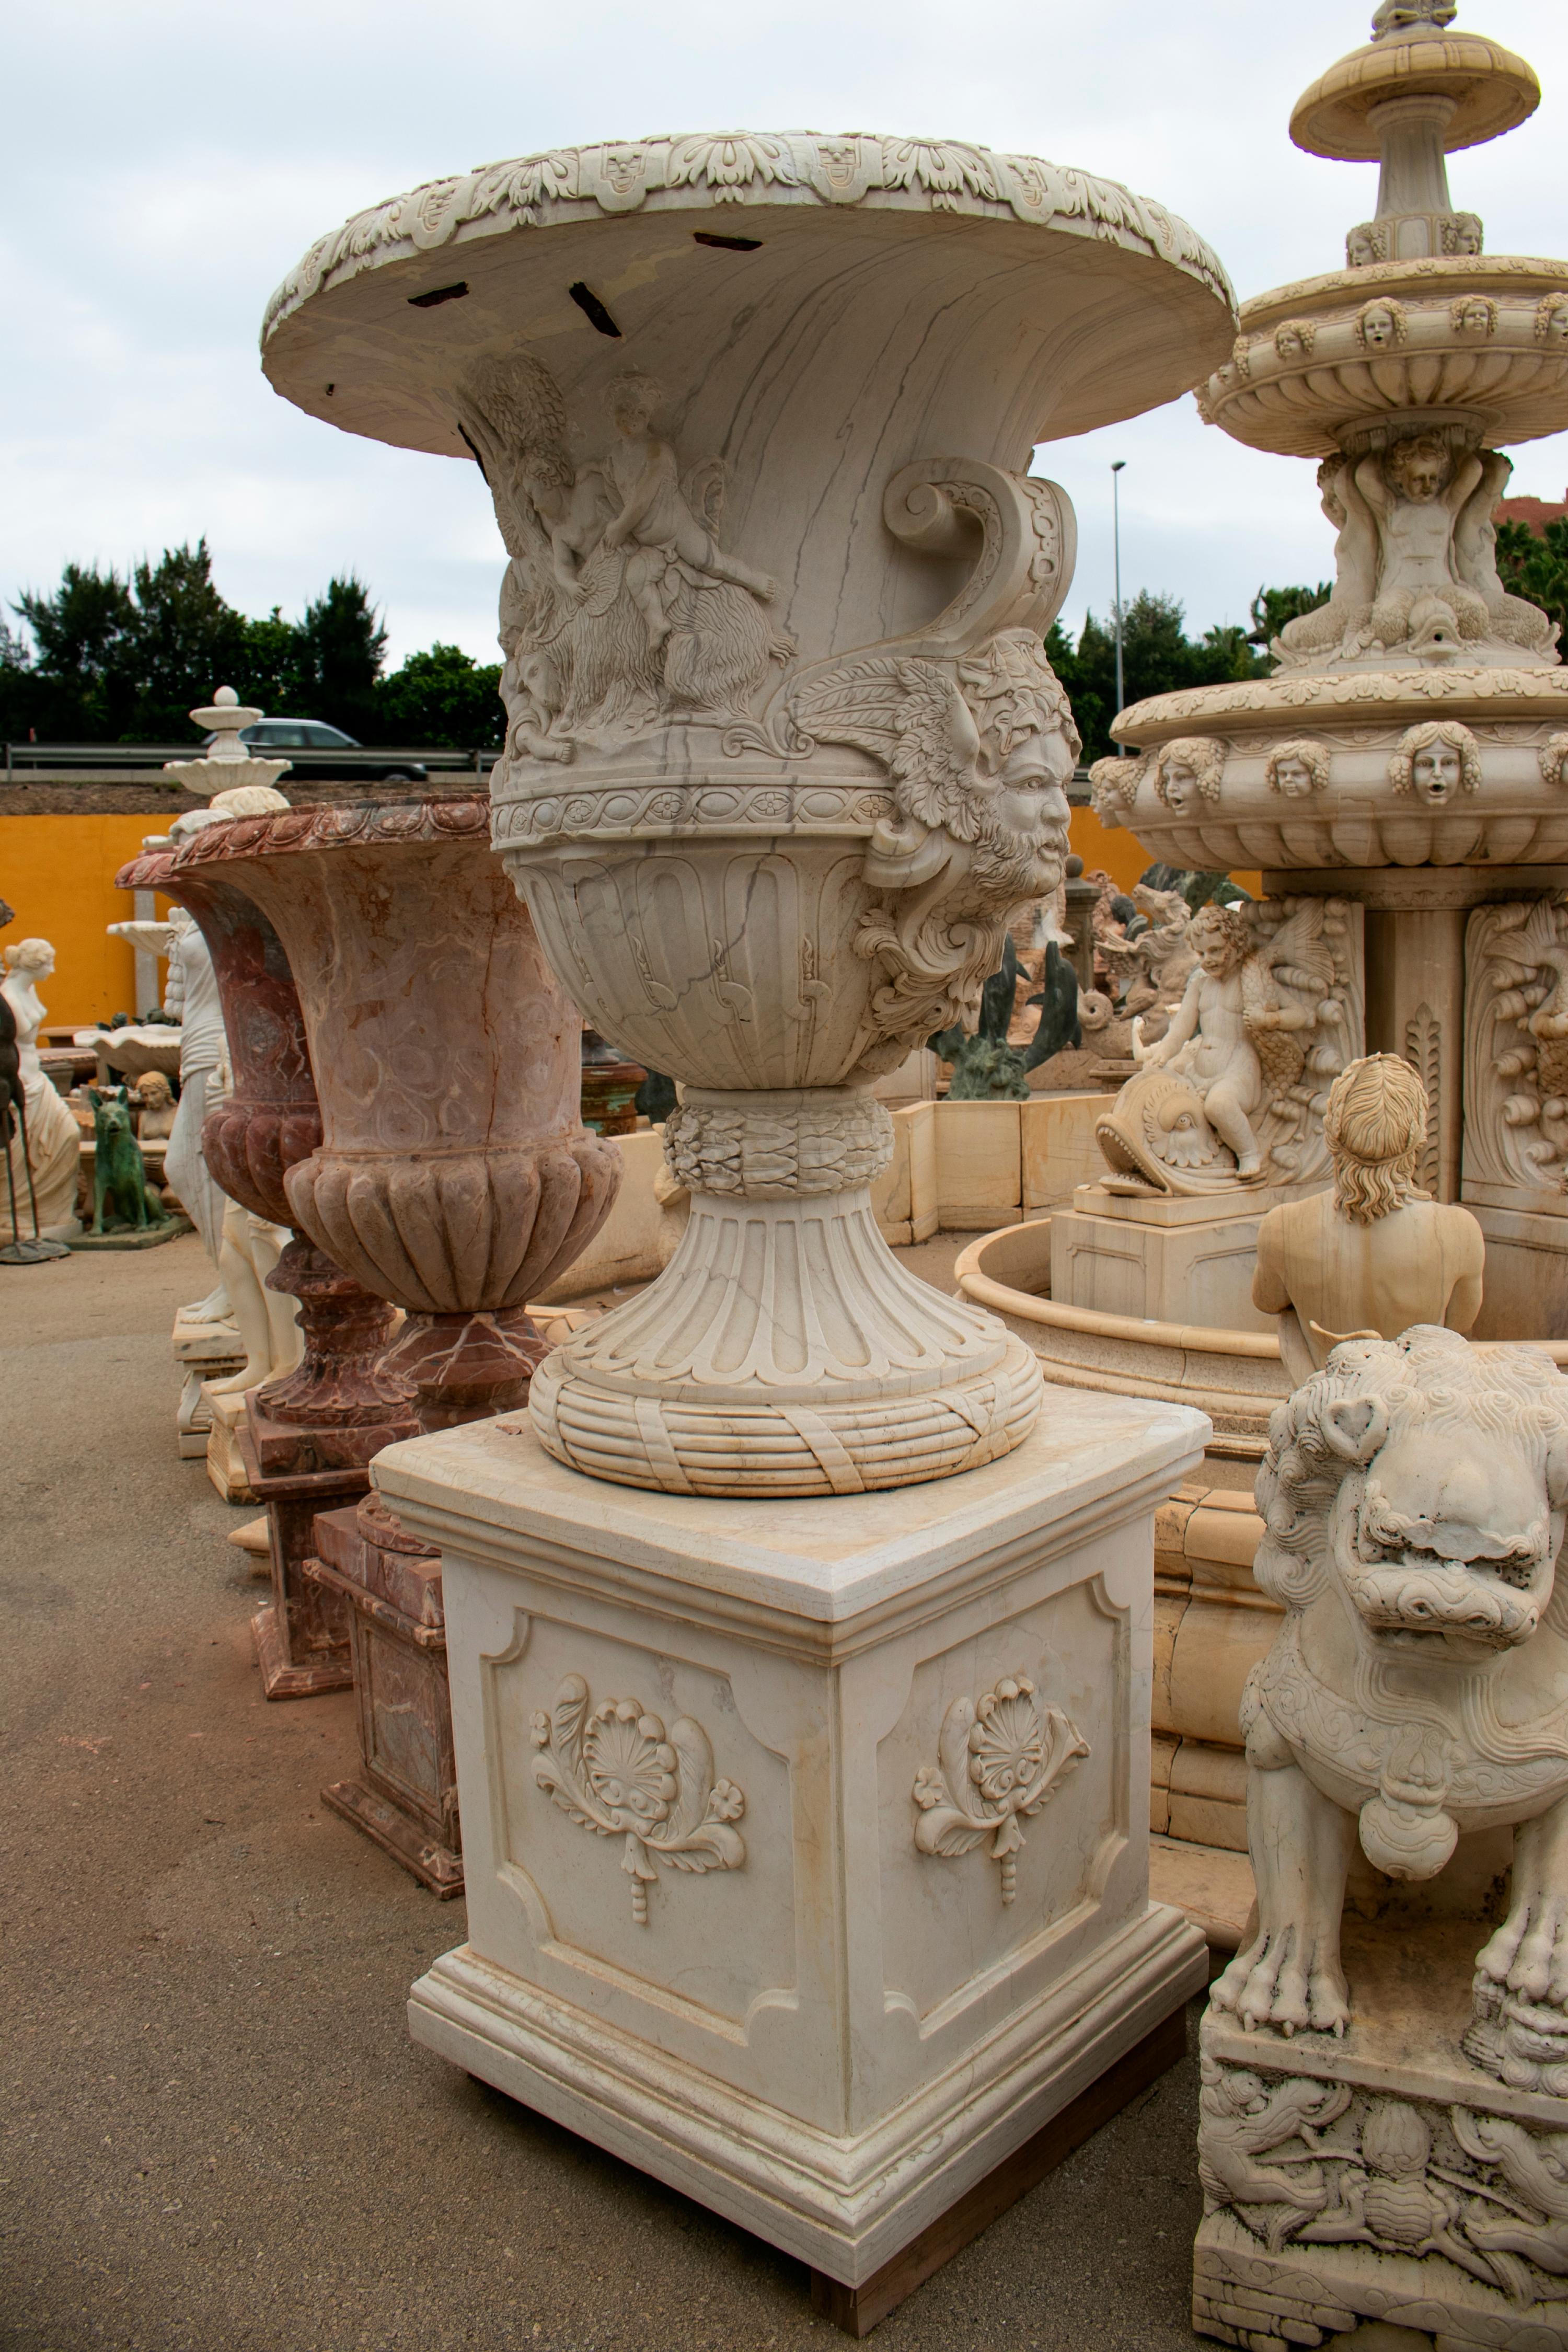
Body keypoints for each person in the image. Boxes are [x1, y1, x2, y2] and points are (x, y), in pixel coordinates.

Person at [1252, 1053, 1484, 1387]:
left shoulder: (1283, 1226)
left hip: (1322, 1392)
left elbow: (1267, 1301)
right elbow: (1460, 1323)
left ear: (1332, 1129)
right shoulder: (1460, 1231)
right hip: (1414, 1403)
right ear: (1418, 1135)